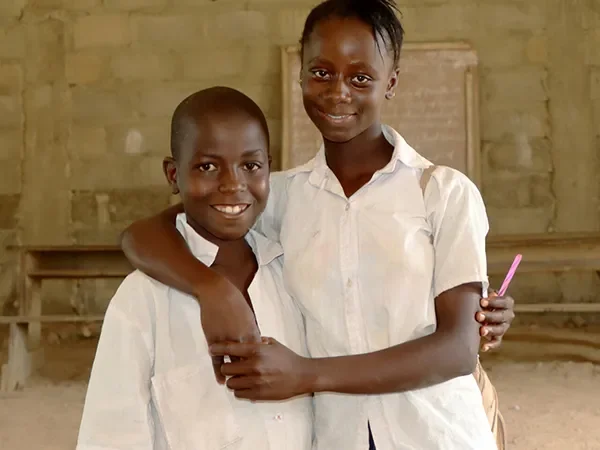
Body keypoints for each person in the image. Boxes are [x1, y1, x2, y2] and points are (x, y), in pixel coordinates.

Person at [120, 1, 516, 448]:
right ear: (302, 74)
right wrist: (211, 289)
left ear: (391, 82)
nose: (337, 92)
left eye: (360, 77)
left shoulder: (443, 193)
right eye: (321, 72)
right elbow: (143, 235)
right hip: (335, 436)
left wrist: (306, 374)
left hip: (435, 433)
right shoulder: (284, 198)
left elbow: (458, 350)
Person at [76, 87, 313, 450]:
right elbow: (111, 436)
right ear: (173, 175)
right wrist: (210, 288)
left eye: (251, 165)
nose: (233, 184)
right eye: (207, 166)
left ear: (269, 166)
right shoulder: (143, 299)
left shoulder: (291, 272)